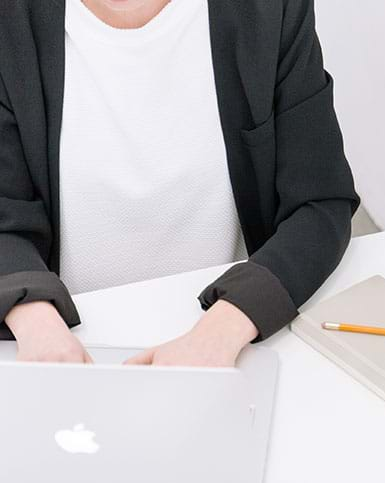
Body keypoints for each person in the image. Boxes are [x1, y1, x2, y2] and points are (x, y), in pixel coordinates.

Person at [0, 0, 359, 367]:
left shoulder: (267, 11)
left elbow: (320, 201)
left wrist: (224, 328)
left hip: (226, 333)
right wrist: (35, 318)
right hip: (63, 340)